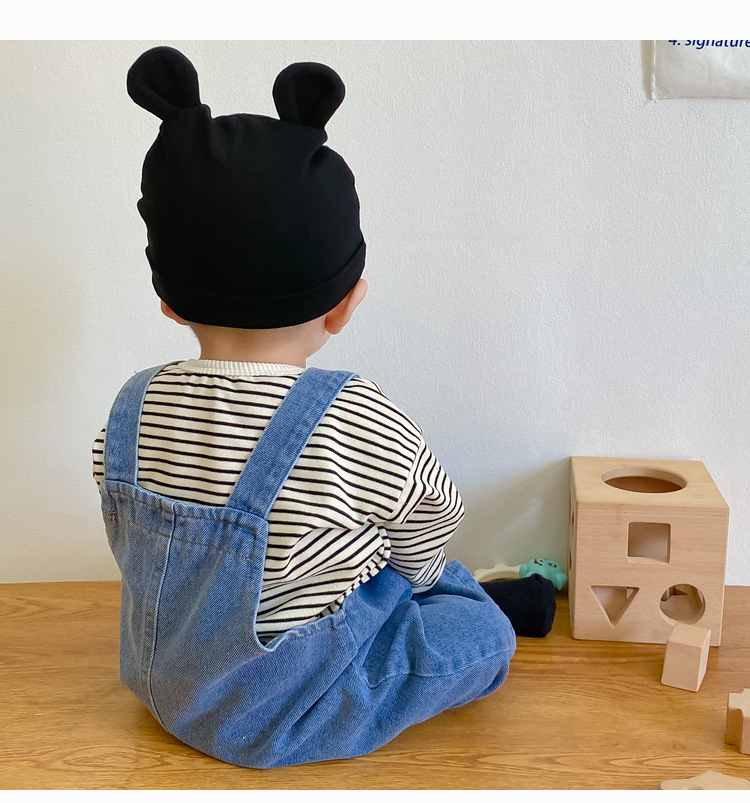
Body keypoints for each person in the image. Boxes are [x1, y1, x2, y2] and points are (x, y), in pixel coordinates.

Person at [93, 46, 555, 769]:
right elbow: (434, 515)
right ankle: (483, 605)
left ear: (169, 302)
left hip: (162, 682)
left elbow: (135, 539)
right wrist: (418, 580)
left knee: (366, 561)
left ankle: (440, 599)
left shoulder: (131, 406)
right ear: (343, 306)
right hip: (286, 707)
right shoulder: (351, 414)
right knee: (474, 631)